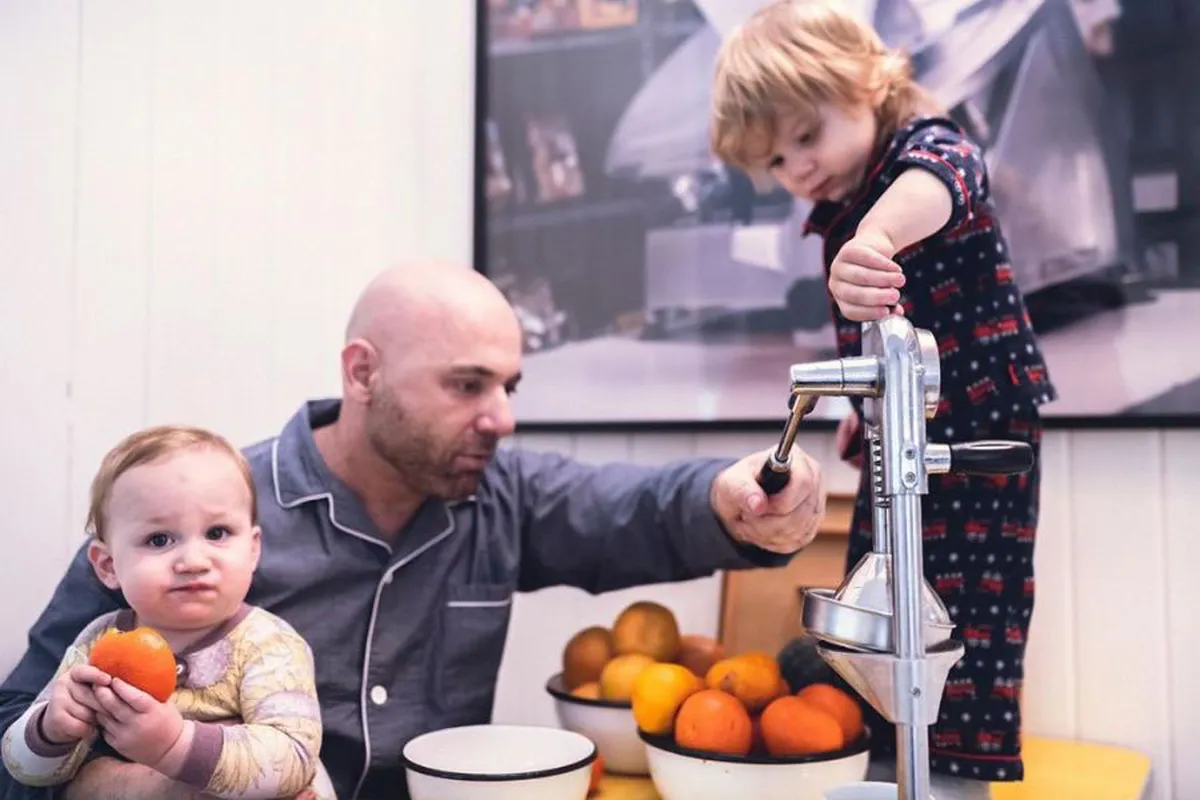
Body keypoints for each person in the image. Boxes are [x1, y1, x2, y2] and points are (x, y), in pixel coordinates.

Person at [0, 264, 828, 800]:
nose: (501, 417)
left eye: (507, 386)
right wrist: (129, 781)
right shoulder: (199, 527)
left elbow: (634, 508)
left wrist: (731, 498)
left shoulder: (500, 495)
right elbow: (17, 723)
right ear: (363, 372)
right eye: (467, 386)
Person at [709, 0, 1057, 795]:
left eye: (807, 135)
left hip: (975, 429)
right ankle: (883, 750)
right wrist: (863, 410)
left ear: (868, 83)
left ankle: (956, 774)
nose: (797, 168)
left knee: (965, 614)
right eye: (776, 160)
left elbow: (946, 180)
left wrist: (875, 237)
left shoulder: (923, 149)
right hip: (897, 435)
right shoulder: (840, 204)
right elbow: (881, 339)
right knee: (883, 596)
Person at [0, 426, 334, 799]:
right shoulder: (99, 642)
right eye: (159, 539)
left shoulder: (268, 644)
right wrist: (50, 730)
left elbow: (294, 757)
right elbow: (21, 767)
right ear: (108, 566)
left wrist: (174, 745)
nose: (193, 561)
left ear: (253, 549)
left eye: (217, 533)